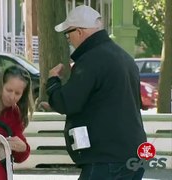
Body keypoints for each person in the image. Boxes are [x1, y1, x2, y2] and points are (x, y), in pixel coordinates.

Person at [46, 5, 147, 180]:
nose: (68, 39)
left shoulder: (90, 59)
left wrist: (53, 81)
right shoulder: (125, 58)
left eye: (68, 34)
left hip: (105, 158)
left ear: (79, 32)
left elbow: (66, 102)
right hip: (134, 153)